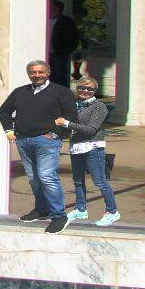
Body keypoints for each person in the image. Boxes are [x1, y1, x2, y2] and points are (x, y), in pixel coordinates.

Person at [0, 60, 79, 234]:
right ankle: (42, 209)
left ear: (48, 72)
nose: (37, 75)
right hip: (23, 140)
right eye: (33, 72)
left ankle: (59, 216)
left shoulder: (61, 92)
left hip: (47, 141)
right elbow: (3, 111)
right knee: (34, 177)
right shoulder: (20, 92)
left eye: (41, 72)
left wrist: (55, 133)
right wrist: (9, 130)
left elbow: (71, 115)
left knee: (46, 176)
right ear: (29, 74)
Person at [58, 77, 118, 226]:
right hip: (76, 147)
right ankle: (80, 209)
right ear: (77, 88)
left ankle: (112, 211)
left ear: (94, 91)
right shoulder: (75, 105)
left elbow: (91, 129)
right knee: (78, 181)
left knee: (100, 181)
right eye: (82, 88)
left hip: (93, 147)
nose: (85, 91)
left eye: (89, 89)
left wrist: (66, 123)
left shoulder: (99, 107)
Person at [48, 0, 80, 82]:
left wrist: (66, 50)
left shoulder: (66, 22)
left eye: (50, 5)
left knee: (60, 76)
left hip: (59, 55)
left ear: (57, 8)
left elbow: (74, 37)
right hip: (46, 54)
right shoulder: (43, 20)